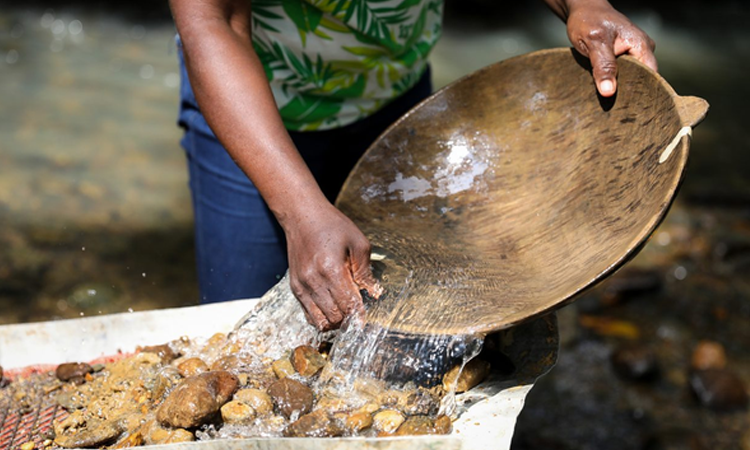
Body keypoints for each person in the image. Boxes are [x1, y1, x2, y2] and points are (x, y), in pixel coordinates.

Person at [169, 0, 657, 331]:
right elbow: (214, 21)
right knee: (250, 329)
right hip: (256, 115)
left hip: (397, 98)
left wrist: (583, 4)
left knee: (420, 318)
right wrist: (299, 211)